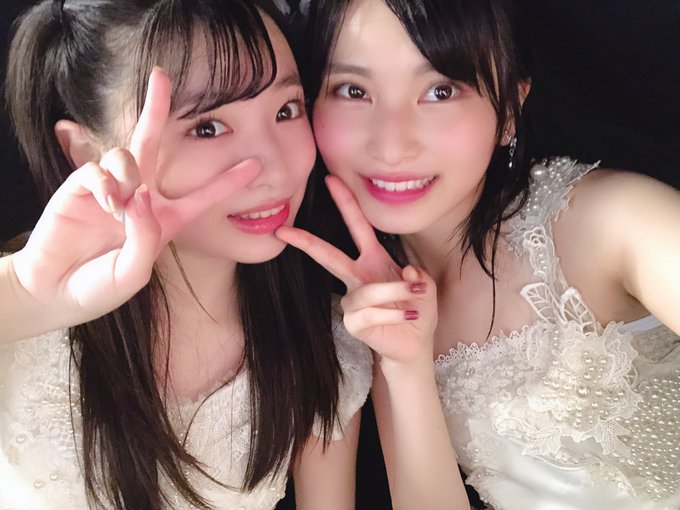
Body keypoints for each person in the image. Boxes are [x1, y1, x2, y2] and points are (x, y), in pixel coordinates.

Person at [274, 0, 680, 508]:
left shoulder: (613, 224)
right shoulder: (370, 302)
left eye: (440, 91)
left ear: (509, 108)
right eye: (353, 91)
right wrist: (407, 366)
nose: (392, 146)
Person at [0, 1, 372, 509]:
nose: (274, 169)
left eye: (286, 110)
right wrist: (25, 295)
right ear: (86, 153)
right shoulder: (21, 308)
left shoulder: (323, 348)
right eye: (207, 127)